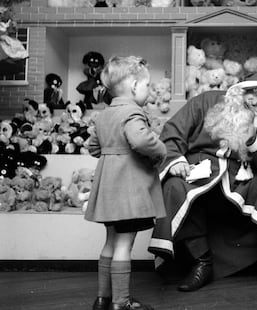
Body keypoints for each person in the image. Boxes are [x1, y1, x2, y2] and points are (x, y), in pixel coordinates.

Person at [148, 69, 257, 295]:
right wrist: (176, 159)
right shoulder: (207, 100)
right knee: (175, 187)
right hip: (201, 176)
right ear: (242, 89)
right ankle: (201, 262)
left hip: (244, 183)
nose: (255, 102)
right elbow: (172, 132)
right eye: (254, 93)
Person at [85, 55, 167, 310]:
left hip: (109, 188)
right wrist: (161, 150)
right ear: (133, 87)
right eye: (146, 87)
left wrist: (112, 154)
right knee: (124, 243)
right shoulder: (133, 112)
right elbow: (141, 141)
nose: (148, 92)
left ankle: (102, 299)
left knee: (110, 241)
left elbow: (93, 147)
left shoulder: (103, 115)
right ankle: (121, 303)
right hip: (128, 190)